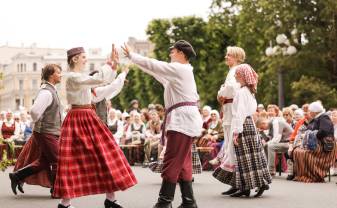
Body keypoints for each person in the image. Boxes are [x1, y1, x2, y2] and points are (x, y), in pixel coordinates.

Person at [53, 46, 136, 208]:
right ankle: (65, 203)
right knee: (72, 161)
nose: (86, 59)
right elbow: (99, 79)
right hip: (78, 118)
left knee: (105, 155)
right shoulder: (73, 77)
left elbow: (102, 80)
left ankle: (110, 199)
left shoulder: (80, 76)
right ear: (75, 59)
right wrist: (111, 63)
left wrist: (112, 65)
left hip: (88, 117)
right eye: (84, 57)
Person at [122, 40, 202, 208]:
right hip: (185, 120)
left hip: (182, 121)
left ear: (181, 53)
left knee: (172, 161)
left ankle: (164, 203)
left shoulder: (180, 69)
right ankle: (189, 202)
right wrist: (134, 60)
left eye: (172, 51)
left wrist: (132, 55)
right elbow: (154, 71)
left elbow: (155, 65)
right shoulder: (180, 73)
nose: (170, 54)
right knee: (183, 162)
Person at [213, 63, 271, 197]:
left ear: (243, 76)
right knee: (251, 157)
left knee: (244, 158)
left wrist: (236, 132)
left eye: (237, 74)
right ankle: (251, 185)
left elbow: (239, 113)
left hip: (243, 125)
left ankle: (248, 186)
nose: (235, 75)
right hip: (248, 124)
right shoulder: (248, 91)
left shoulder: (241, 92)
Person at [9, 64, 62, 196]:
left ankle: (16, 176)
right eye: (58, 72)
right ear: (51, 75)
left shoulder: (50, 90)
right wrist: (40, 123)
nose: (61, 75)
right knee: (58, 160)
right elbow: (34, 112)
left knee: (43, 162)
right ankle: (56, 190)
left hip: (49, 131)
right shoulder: (46, 92)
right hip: (46, 132)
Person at [208, 46, 244, 195]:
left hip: (233, 111)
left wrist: (221, 91)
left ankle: (239, 183)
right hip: (229, 111)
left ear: (236, 56)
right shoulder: (232, 71)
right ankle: (234, 182)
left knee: (233, 148)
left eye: (228, 55)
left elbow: (230, 89)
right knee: (230, 148)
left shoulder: (237, 70)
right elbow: (225, 90)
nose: (226, 57)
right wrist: (222, 91)